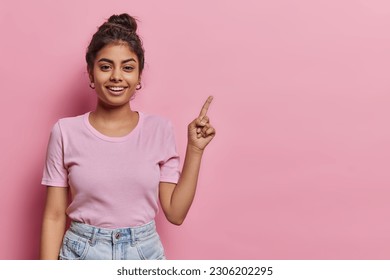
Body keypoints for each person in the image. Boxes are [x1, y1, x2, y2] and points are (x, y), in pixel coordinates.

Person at [39, 13, 215, 260]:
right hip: (81, 256)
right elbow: (54, 215)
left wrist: (195, 150)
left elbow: (175, 214)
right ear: (91, 74)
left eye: (128, 67)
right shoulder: (65, 132)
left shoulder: (159, 130)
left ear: (139, 76)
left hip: (143, 255)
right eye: (105, 66)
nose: (117, 77)